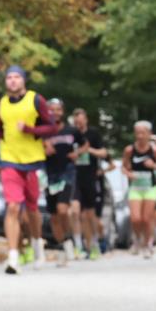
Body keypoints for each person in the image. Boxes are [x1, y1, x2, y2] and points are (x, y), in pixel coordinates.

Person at [0, 66, 57, 274]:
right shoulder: (1, 103)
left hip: (33, 161)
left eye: (16, 77)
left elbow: (51, 127)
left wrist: (31, 130)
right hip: (9, 160)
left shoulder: (36, 100)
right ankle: (13, 256)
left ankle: (38, 246)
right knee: (12, 207)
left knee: (31, 210)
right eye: (9, 77)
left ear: (24, 80)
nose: (12, 81)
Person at [43, 99, 84, 267]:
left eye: (58, 109)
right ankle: (64, 245)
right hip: (49, 175)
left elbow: (84, 145)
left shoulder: (72, 130)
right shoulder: (43, 132)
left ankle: (69, 242)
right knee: (53, 216)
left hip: (67, 172)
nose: (54, 113)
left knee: (62, 209)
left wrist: (78, 153)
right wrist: (44, 148)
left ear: (62, 112)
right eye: (51, 110)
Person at [122, 121, 156, 258]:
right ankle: (137, 239)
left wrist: (154, 166)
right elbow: (123, 167)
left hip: (150, 188)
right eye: (137, 133)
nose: (140, 136)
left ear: (149, 134)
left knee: (146, 219)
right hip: (135, 187)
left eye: (143, 133)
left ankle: (147, 244)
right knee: (135, 219)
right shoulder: (129, 150)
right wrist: (128, 174)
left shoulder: (155, 150)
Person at [71, 108, 107, 260]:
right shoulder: (70, 135)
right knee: (74, 211)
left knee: (89, 215)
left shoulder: (93, 134)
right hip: (74, 177)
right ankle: (78, 245)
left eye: (81, 121)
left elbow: (104, 153)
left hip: (90, 178)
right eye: (76, 122)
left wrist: (88, 149)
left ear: (86, 120)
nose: (78, 125)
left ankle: (93, 243)